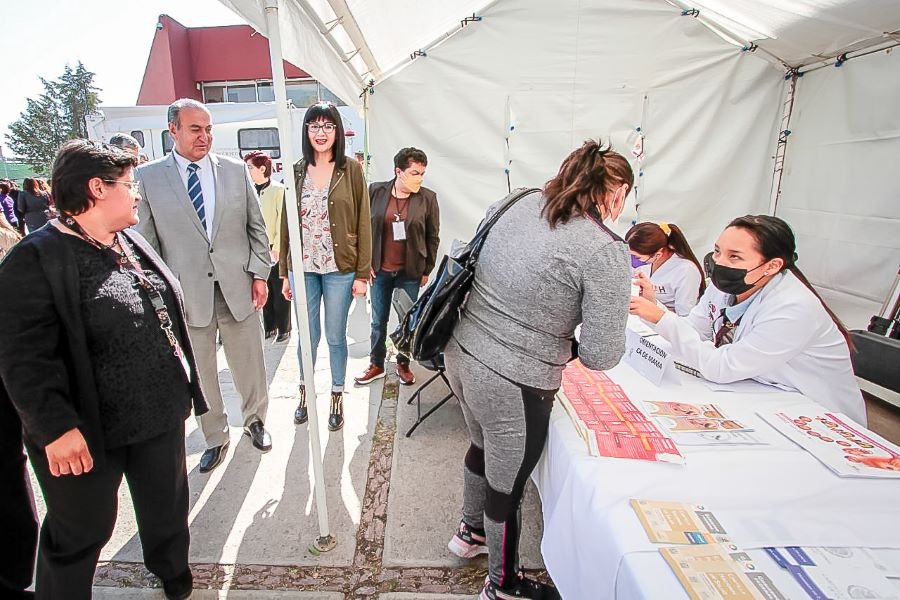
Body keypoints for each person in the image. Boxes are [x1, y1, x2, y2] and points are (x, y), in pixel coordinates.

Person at [0, 139, 209, 600]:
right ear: (97, 188)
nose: (136, 193)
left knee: (166, 509)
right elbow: (22, 358)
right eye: (129, 184)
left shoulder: (126, 239)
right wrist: (55, 429)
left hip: (156, 414)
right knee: (81, 528)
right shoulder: (34, 259)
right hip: (85, 430)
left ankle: (172, 574)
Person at [445, 140, 633, 599]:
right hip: (513, 380)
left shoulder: (519, 200)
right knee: (507, 487)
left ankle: (470, 533)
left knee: (481, 446)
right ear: (617, 192)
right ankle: (503, 586)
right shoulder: (604, 249)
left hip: (460, 351)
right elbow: (601, 355)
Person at [136, 98, 273, 473]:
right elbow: (147, 244)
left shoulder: (235, 171)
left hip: (238, 285)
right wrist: (161, 296)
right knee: (201, 371)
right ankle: (215, 436)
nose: (205, 136)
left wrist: (259, 274)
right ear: (173, 130)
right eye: (195, 129)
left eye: (209, 129)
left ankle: (255, 421)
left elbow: (257, 229)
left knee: (249, 362)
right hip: (186, 294)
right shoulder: (149, 178)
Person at [630, 215, 866, 424]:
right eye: (717, 251)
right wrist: (654, 308)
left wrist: (661, 317)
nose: (719, 262)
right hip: (763, 392)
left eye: (735, 257)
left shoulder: (794, 308)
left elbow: (722, 367)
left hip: (816, 413)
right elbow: (694, 329)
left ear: (772, 266)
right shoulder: (724, 288)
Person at [279, 101, 371, 432]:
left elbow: (363, 221)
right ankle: (304, 393)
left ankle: (336, 394)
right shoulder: (296, 170)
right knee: (307, 336)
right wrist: (284, 272)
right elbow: (286, 223)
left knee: (334, 336)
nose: (321, 132)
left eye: (328, 126)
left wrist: (362, 273)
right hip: (302, 269)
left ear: (337, 131)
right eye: (314, 125)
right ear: (306, 131)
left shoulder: (351, 170)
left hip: (339, 268)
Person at [355, 147, 440, 386]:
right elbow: (363, 228)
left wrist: (427, 269)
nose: (419, 179)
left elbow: (433, 236)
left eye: (422, 174)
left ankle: (403, 364)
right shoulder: (376, 191)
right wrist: (365, 262)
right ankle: (376, 364)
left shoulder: (428, 198)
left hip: (410, 271)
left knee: (406, 320)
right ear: (398, 172)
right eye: (414, 173)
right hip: (380, 269)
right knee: (378, 320)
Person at [245, 150, 291, 342]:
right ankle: (269, 326)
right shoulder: (249, 190)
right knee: (262, 286)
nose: (248, 171)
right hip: (257, 248)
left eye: (250, 167)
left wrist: (278, 246)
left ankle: (284, 328)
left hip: (274, 247)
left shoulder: (278, 190)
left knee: (279, 288)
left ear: (262, 168)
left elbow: (282, 220)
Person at [625, 221, 705, 316]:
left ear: (658, 254)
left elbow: (684, 315)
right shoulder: (646, 265)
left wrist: (652, 306)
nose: (632, 260)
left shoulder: (686, 271)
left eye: (636, 257)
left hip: (665, 322)